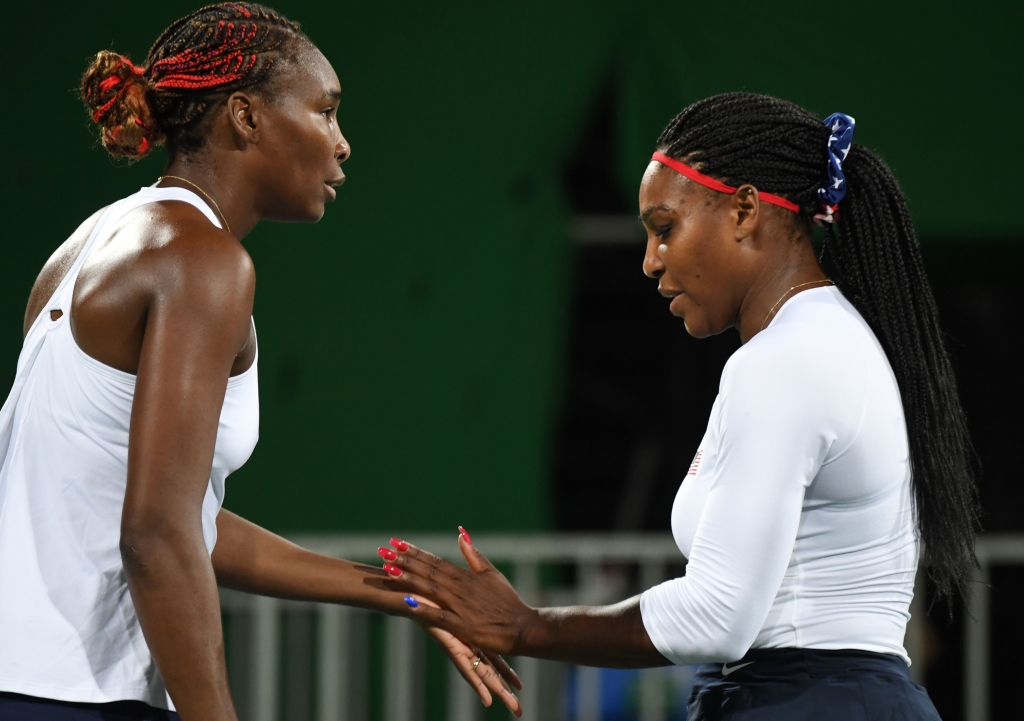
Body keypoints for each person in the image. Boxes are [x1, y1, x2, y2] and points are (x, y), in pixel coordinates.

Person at [385, 92, 980, 719]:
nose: (649, 261)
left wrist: (526, 626)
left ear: (745, 210)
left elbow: (717, 617)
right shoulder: (818, 340)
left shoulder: (785, 361)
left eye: (665, 228)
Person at [0, 4, 521, 719]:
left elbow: (182, 519)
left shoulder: (90, 242)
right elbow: (156, 535)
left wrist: (403, 594)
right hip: (71, 696)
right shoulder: (203, 261)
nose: (342, 145)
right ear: (244, 116)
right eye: (326, 111)